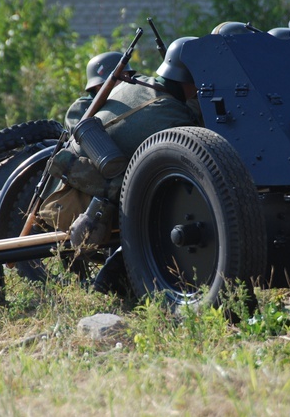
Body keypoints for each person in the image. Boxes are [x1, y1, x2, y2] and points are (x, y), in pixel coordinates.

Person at [34, 37, 202, 292]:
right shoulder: (174, 116)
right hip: (91, 193)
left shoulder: (134, 84)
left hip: (72, 176)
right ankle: (114, 278)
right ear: (189, 83)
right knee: (166, 200)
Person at [65, 52, 135, 131]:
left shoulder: (133, 97)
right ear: (100, 85)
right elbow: (79, 139)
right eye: (122, 77)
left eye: (127, 75)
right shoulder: (81, 108)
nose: (126, 80)